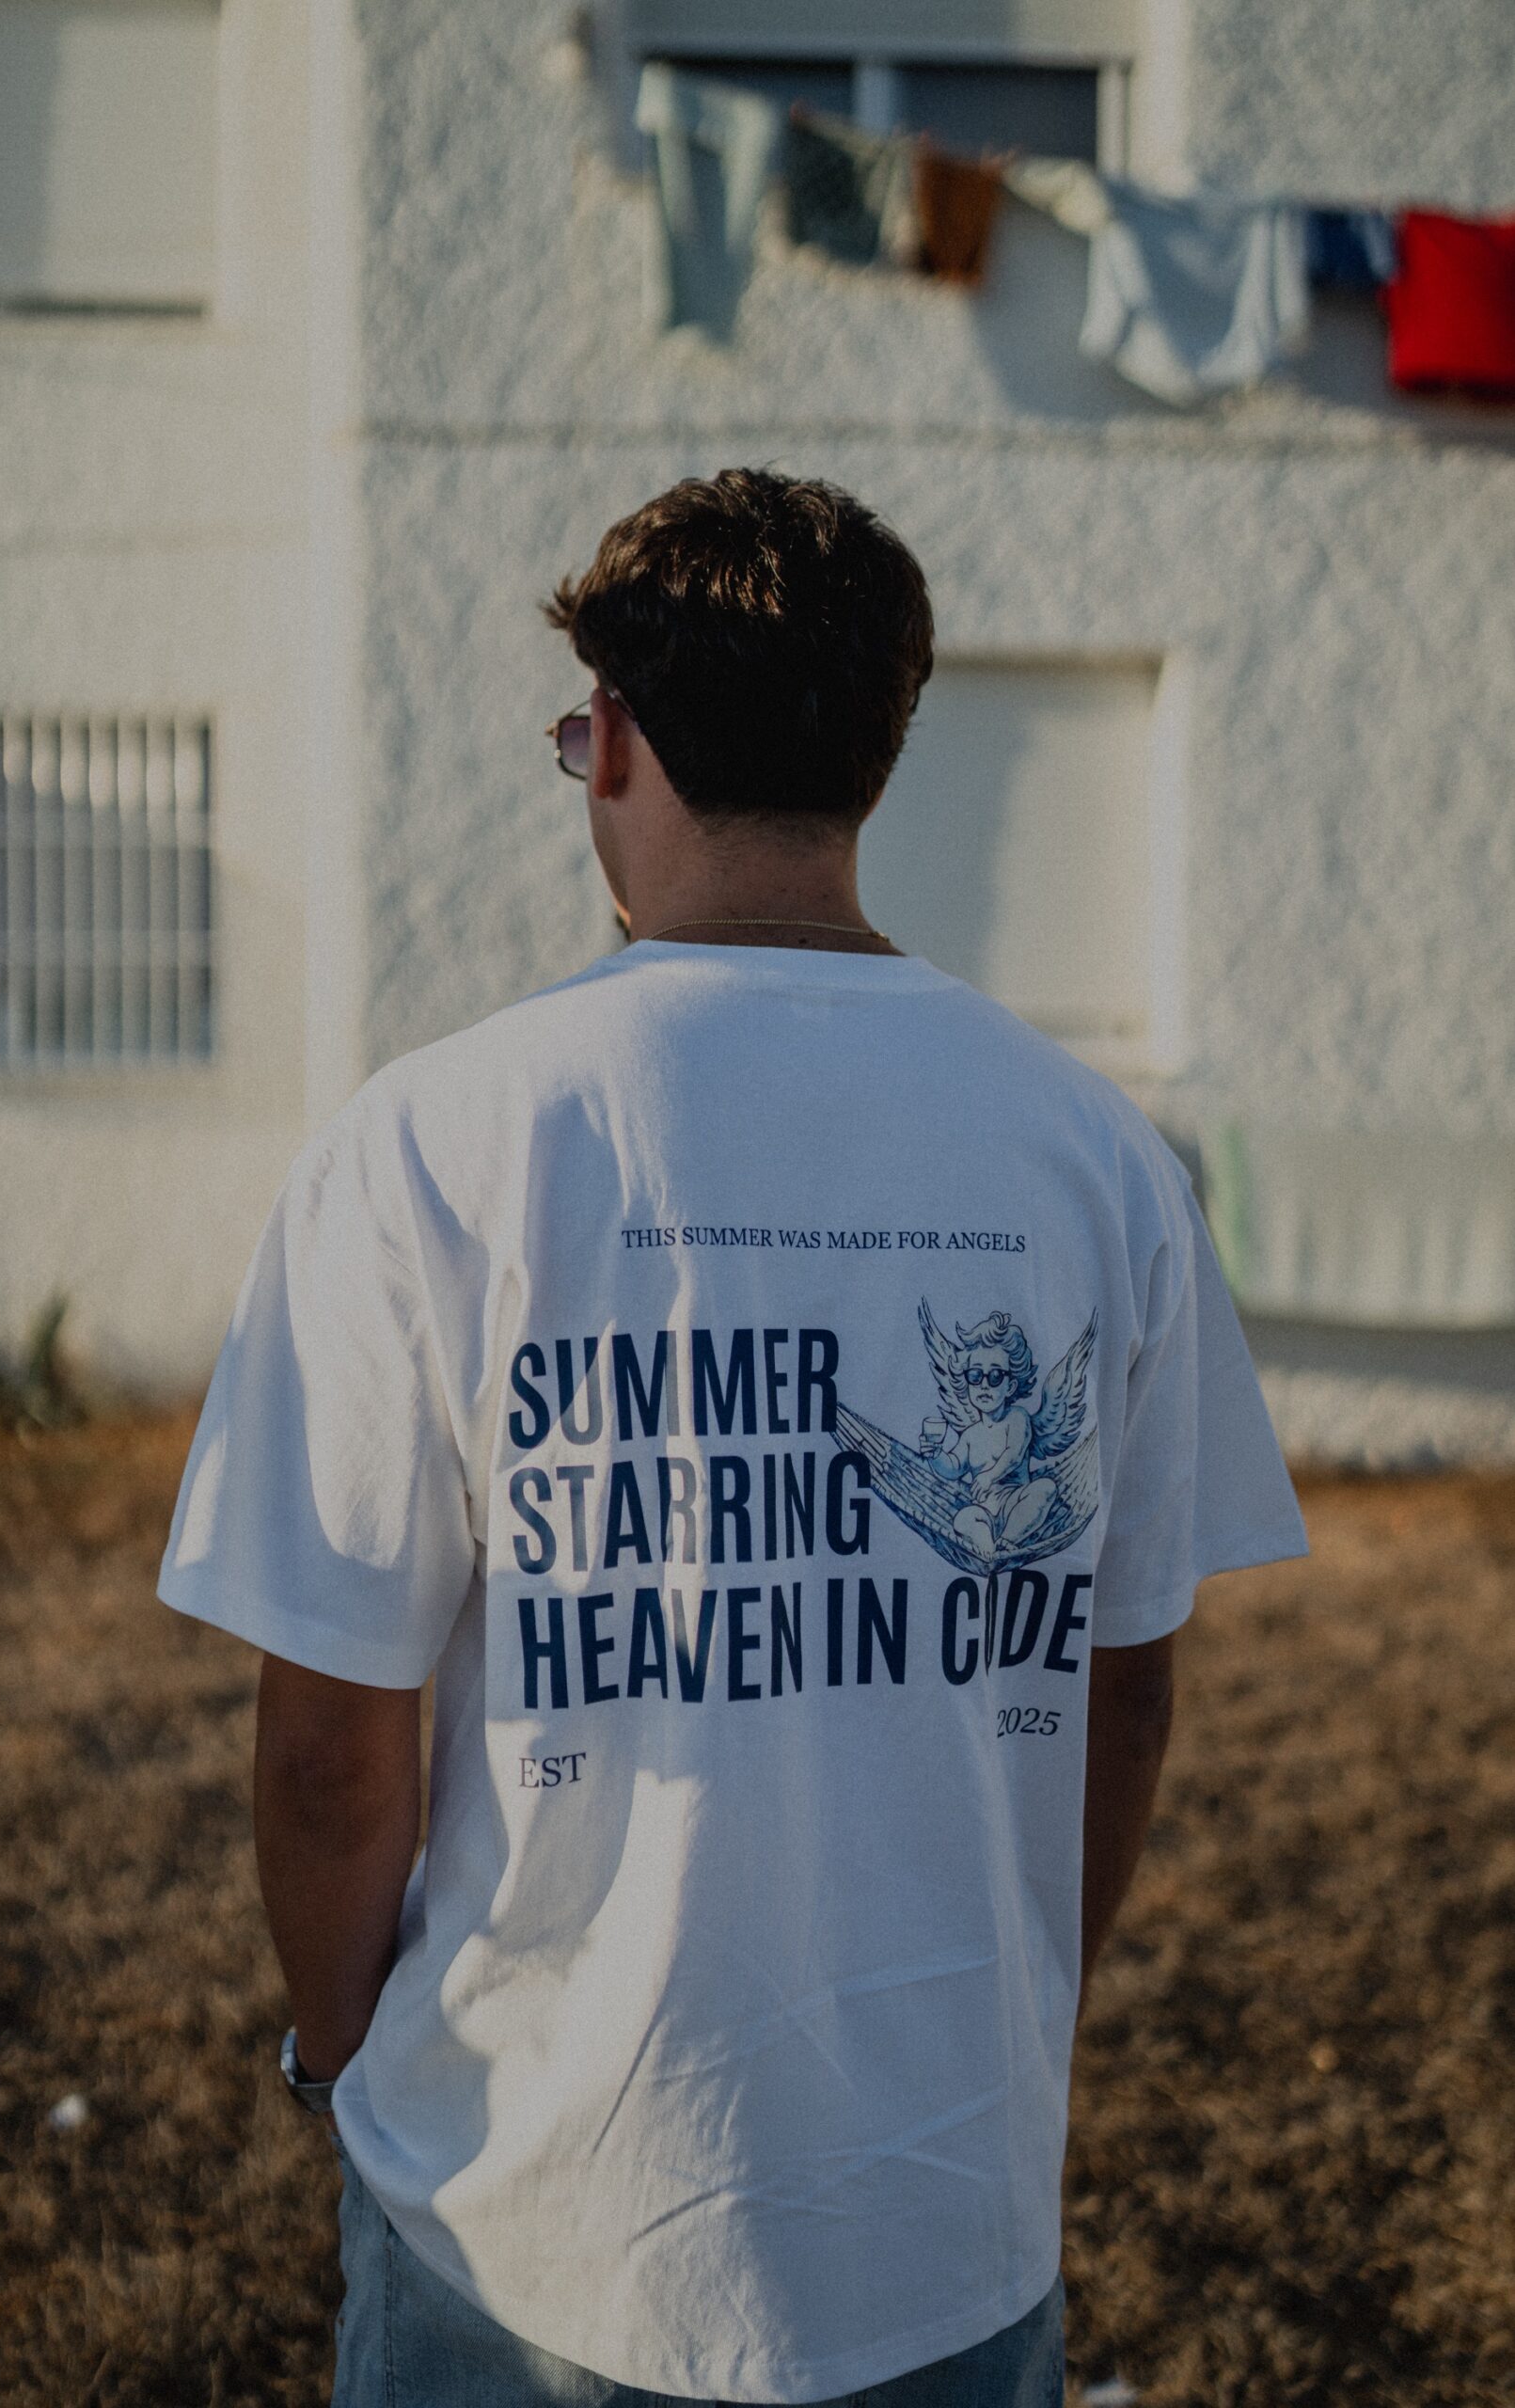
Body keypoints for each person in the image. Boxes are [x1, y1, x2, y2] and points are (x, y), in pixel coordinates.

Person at [159, 468, 1307, 2408]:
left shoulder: (430, 1143)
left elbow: (332, 1747)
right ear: (880, 753)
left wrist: (337, 2059)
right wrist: (1016, 2015)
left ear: (612, 743)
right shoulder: (1096, 1155)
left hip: (525, 2222)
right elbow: (1121, 1692)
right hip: (942, 2215)